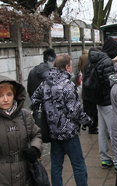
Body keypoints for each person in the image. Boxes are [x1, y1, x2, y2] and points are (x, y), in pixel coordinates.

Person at [32, 54, 93, 186]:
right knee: (78, 165)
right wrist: (88, 121)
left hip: (53, 132)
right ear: (67, 67)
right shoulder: (68, 85)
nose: (71, 67)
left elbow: (34, 99)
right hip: (69, 133)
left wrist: (46, 112)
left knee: (56, 166)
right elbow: (75, 111)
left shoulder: (45, 83)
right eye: (70, 65)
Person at [85, 37, 117, 169]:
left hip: (97, 100)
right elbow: (109, 81)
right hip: (107, 101)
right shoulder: (106, 61)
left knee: (102, 130)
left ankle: (104, 158)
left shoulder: (93, 59)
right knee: (113, 131)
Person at [80, 47, 99, 134]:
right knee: (93, 111)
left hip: (85, 91)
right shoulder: (93, 64)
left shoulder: (87, 63)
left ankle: (85, 124)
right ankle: (92, 128)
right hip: (90, 92)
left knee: (87, 109)